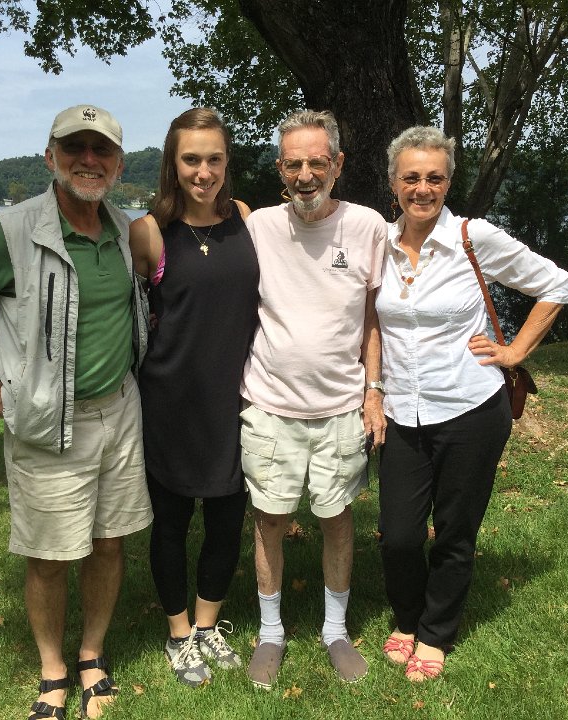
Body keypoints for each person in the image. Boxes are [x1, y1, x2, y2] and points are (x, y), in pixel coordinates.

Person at [0, 105, 153, 720]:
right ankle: (52, 670)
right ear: (51, 157)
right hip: (49, 421)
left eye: (101, 150)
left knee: (108, 543)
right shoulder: (10, 231)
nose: (88, 160)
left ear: (119, 165)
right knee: (48, 556)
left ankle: (92, 654)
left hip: (120, 411)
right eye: (74, 148)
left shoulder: (123, 229)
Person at [375, 126, 568, 681]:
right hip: (402, 411)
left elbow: (557, 284)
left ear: (448, 182)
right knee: (399, 534)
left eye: (434, 178)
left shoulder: (472, 237)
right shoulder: (379, 243)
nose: (422, 188)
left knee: (455, 531)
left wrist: (514, 352)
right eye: (411, 177)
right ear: (393, 183)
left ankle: (433, 633)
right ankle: (407, 615)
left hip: (470, 407)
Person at [239, 109, 388, 689]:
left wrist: (373, 391)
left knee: (336, 520)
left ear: (338, 164)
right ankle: (270, 632)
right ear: (280, 168)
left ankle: (335, 629)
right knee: (269, 521)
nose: (305, 175)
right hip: (270, 405)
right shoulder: (260, 227)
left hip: (341, 407)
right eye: (293, 164)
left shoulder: (367, 226)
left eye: (317, 163)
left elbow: (374, 317)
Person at [128, 108, 259, 687]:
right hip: (170, 403)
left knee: (228, 520)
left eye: (213, 159)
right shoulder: (149, 232)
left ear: (227, 163)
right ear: (172, 164)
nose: (203, 172)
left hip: (236, 399)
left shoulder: (245, 219)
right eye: (190, 159)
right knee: (172, 524)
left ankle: (208, 626)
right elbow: (129, 315)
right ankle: (178, 634)